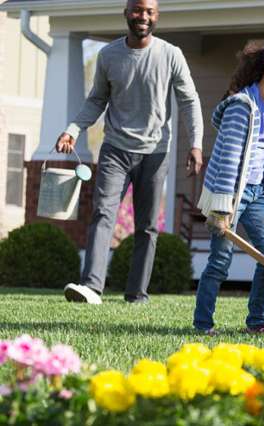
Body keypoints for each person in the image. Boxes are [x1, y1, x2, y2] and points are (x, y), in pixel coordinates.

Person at [58, 0, 204, 305]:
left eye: (150, 11)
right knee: (102, 213)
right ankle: (91, 287)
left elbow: (189, 101)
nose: (143, 17)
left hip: (156, 152)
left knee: (147, 226)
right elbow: (97, 99)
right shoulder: (109, 55)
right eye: (138, 10)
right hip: (115, 149)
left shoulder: (170, 55)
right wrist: (73, 129)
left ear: (157, 16)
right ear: (127, 13)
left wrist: (195, 143)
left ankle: (137, 294)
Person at [193, 37, 264, 335]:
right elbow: (228, 161)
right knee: (220, 261)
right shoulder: (241, 108)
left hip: (258, 193)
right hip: (230, 194)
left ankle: (256, 323)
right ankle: (203, 324)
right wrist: (221, 209)